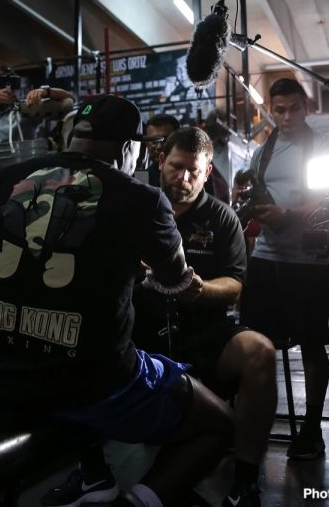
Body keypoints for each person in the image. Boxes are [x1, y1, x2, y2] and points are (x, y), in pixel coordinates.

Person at [0, 95, 232, 507]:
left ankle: (95, 475)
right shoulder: (142, 198)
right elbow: (175, 278)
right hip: (97, 387)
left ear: (73, 135)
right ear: (128, 148)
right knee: (219, 423)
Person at [134, 127, 277, 507]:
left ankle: (244, 481)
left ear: (208, 168)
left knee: (260, 353)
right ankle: (94, 469)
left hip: (202, 328)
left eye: (193, 172)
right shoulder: (137, 208)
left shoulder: (222, 218)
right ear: (160, 160)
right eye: (176, 167)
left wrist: (199, 288)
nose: (183, 179)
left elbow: (235, 284)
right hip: (139, 330)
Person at [239, 78, 329, 460]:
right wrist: (255, 214)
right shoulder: (262, 151)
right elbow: (257, 198)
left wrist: (289, 215)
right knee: (256, 345)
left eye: (293, 108)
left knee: (312, 345)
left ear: (306, 106)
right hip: (266, 259)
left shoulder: (324, 147)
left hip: (309, 261)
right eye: (278, 109)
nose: (285, 117)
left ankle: (312, 429)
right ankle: (253, 420)